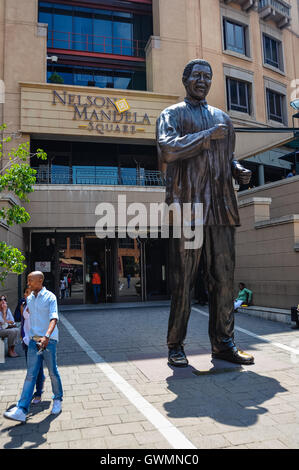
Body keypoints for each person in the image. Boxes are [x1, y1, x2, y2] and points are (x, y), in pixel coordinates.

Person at [156, 59, 254, 367]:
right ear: (185, 79)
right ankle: (175, 344)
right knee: (183, 279)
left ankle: (223, 343)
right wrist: (207, 136)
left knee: (224, 280)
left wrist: (237, 169)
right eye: (197, 75)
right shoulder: (172, 114)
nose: (202, 80)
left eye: (207, 77)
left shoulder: (222, 117)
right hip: (189, 208)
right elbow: (168, 148)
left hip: (222, 208)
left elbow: (227, 155)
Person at [3, 271, 63, 423]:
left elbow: (54, 317)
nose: (28, 283)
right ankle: (22, 409)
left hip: (49, 340)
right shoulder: (29, 298)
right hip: (33, 341)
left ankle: (57, 399)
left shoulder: (50, 297)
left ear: (40, 280)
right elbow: (28, 318)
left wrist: (47, 336)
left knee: (52, 372)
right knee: (31, 374)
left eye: (31, 280)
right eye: (28, 280)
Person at [20, 287, 45, 404]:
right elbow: (23, 323)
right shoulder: (23, 305)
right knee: (31, 369)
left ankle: (38, 393)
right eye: (26, 293)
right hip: (26, 341)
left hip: (36, 341)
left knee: (37, 369)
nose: (27, 295)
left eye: (30, 293)